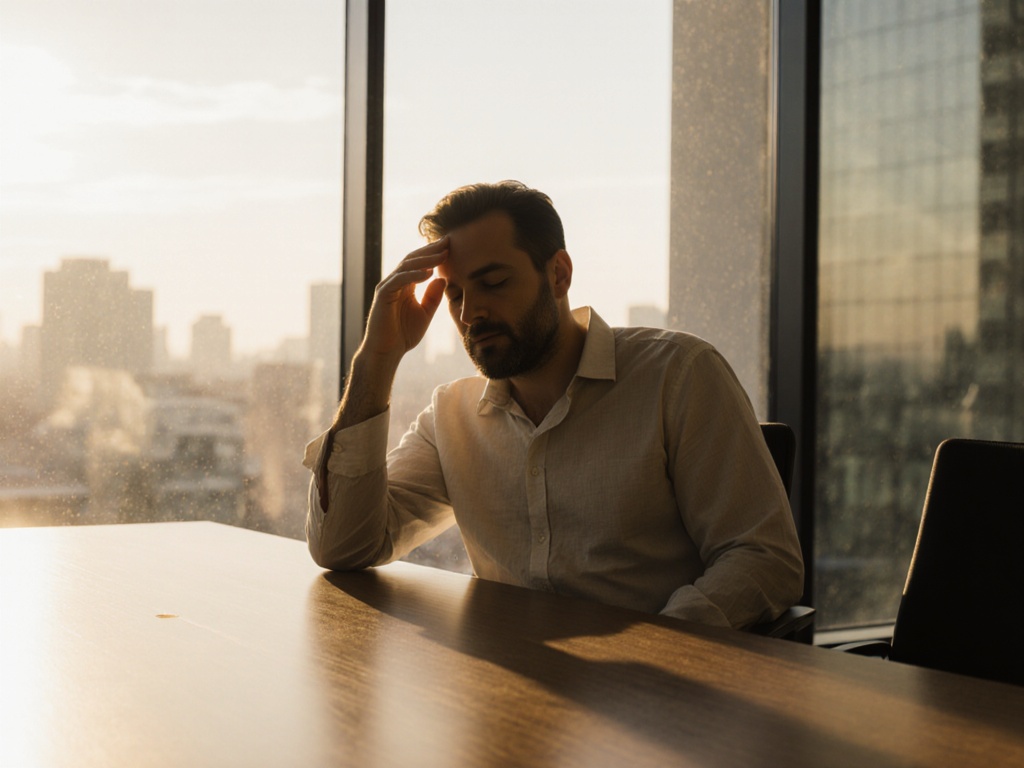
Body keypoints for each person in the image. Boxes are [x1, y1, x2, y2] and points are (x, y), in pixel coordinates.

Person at [303, 180, 803, 629]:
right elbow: (344, 548)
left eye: (494, 283)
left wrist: (656, 657)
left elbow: (764, 558)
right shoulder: (450, 416)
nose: (470, 312)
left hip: (665, 707)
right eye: (454, 293)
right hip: (514, 703)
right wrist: (376, 360)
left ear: (558, 274)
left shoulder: (679, 374)